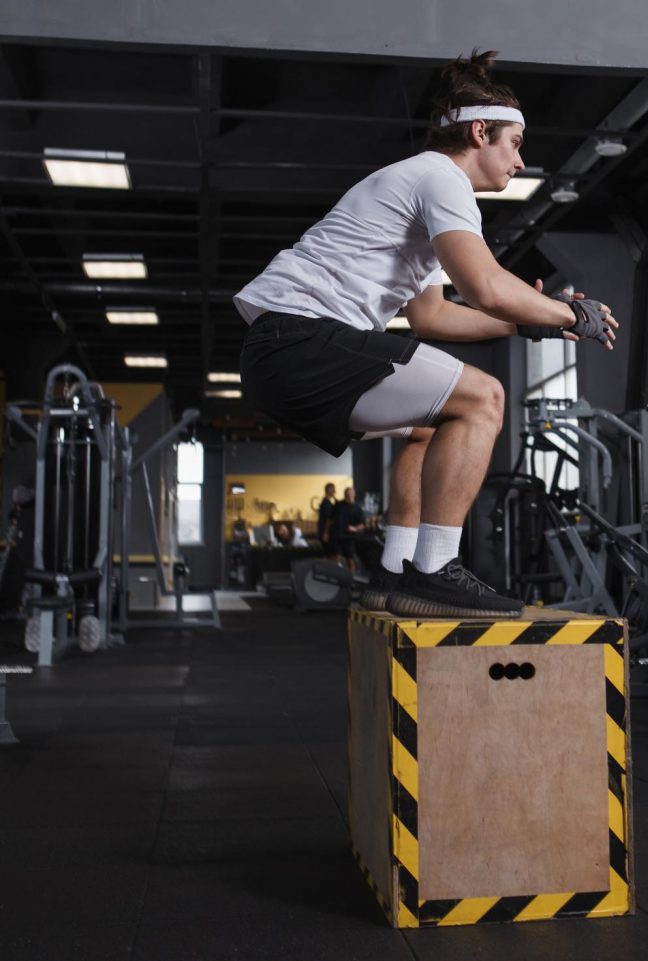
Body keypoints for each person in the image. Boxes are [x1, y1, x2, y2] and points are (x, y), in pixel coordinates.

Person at [236, 49, 618, 619]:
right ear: (480, 131)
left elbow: (432, 317)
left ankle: (393, 572)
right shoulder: (440, 176)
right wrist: (567, 313)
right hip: (299, 339)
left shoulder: (420, 192)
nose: (519, 163)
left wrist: (527, 323)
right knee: (485, 397)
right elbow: (485, 284)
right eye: (514, 145)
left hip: (284, 353)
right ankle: (436, 570)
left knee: (425, 427)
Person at [331, 487, 367, 573]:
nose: (349, 495)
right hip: (337, 535)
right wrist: (326, 532)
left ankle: (352, 579)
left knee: (349, 559)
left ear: (354, 495)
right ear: (345, 494)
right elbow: (330, 519)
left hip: (349, 537)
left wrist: (354, 528)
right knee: (336, 558)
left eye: (351, 493)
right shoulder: (338, 505)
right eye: (348, 493)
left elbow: (363, 525)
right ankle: (336, 576)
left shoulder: (358, 508)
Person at [316, 483, 337, 553]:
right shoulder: (326, 504)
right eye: (333, 489)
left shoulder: (326, 503)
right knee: (331, 554)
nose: (335, 491)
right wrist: (326, 533)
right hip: (326, 534)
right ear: (329, 490)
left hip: (325, 533)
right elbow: (328, 519)